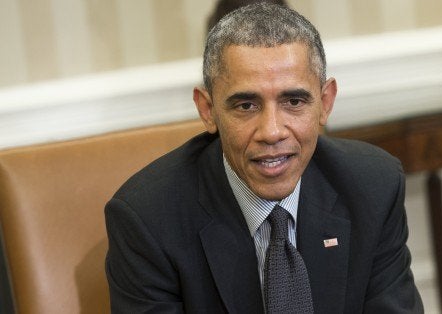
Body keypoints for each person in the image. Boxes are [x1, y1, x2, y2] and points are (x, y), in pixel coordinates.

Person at [105, 3, 423, 313]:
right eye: (246, 106)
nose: (271, 132)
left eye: (294, 101)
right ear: (208, 109)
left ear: (325, 102)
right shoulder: (147, 219)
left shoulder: (373, 186)